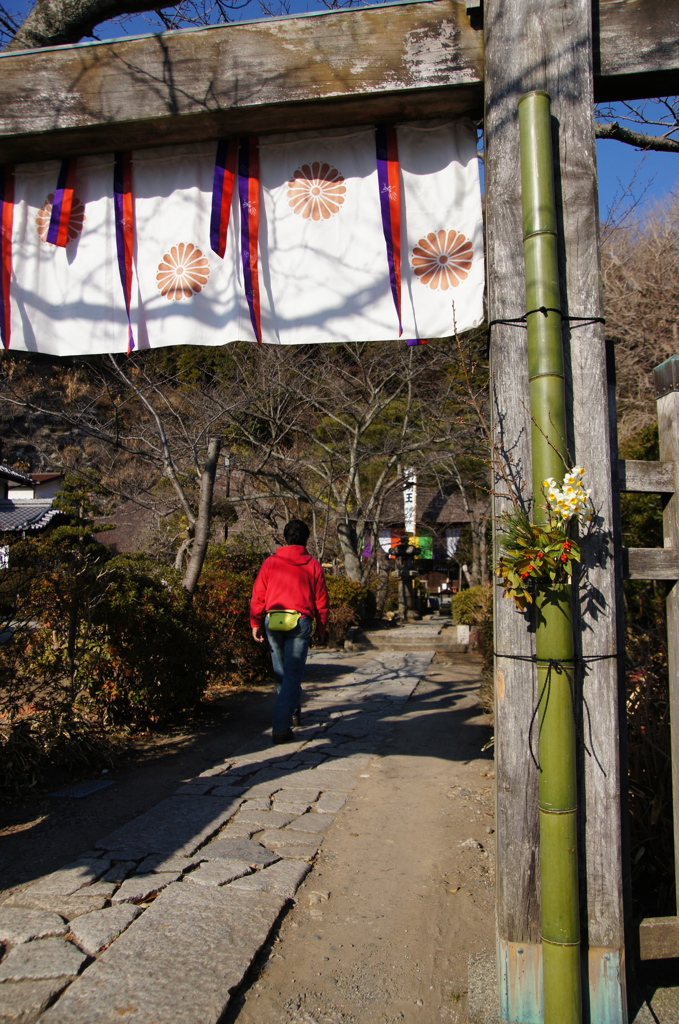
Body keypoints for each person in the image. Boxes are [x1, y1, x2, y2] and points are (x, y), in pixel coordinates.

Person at [250, 519, 329, 744]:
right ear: (307, 540)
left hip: (273, 621)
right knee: (292, 676)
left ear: (284, 539)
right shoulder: (313, 564)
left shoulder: (270, 563)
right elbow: (321, 600)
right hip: (300, 621)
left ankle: (292, 713)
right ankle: (281, 726)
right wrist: (322, 627)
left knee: (281, 673)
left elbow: (258, 594)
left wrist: (255, 621)